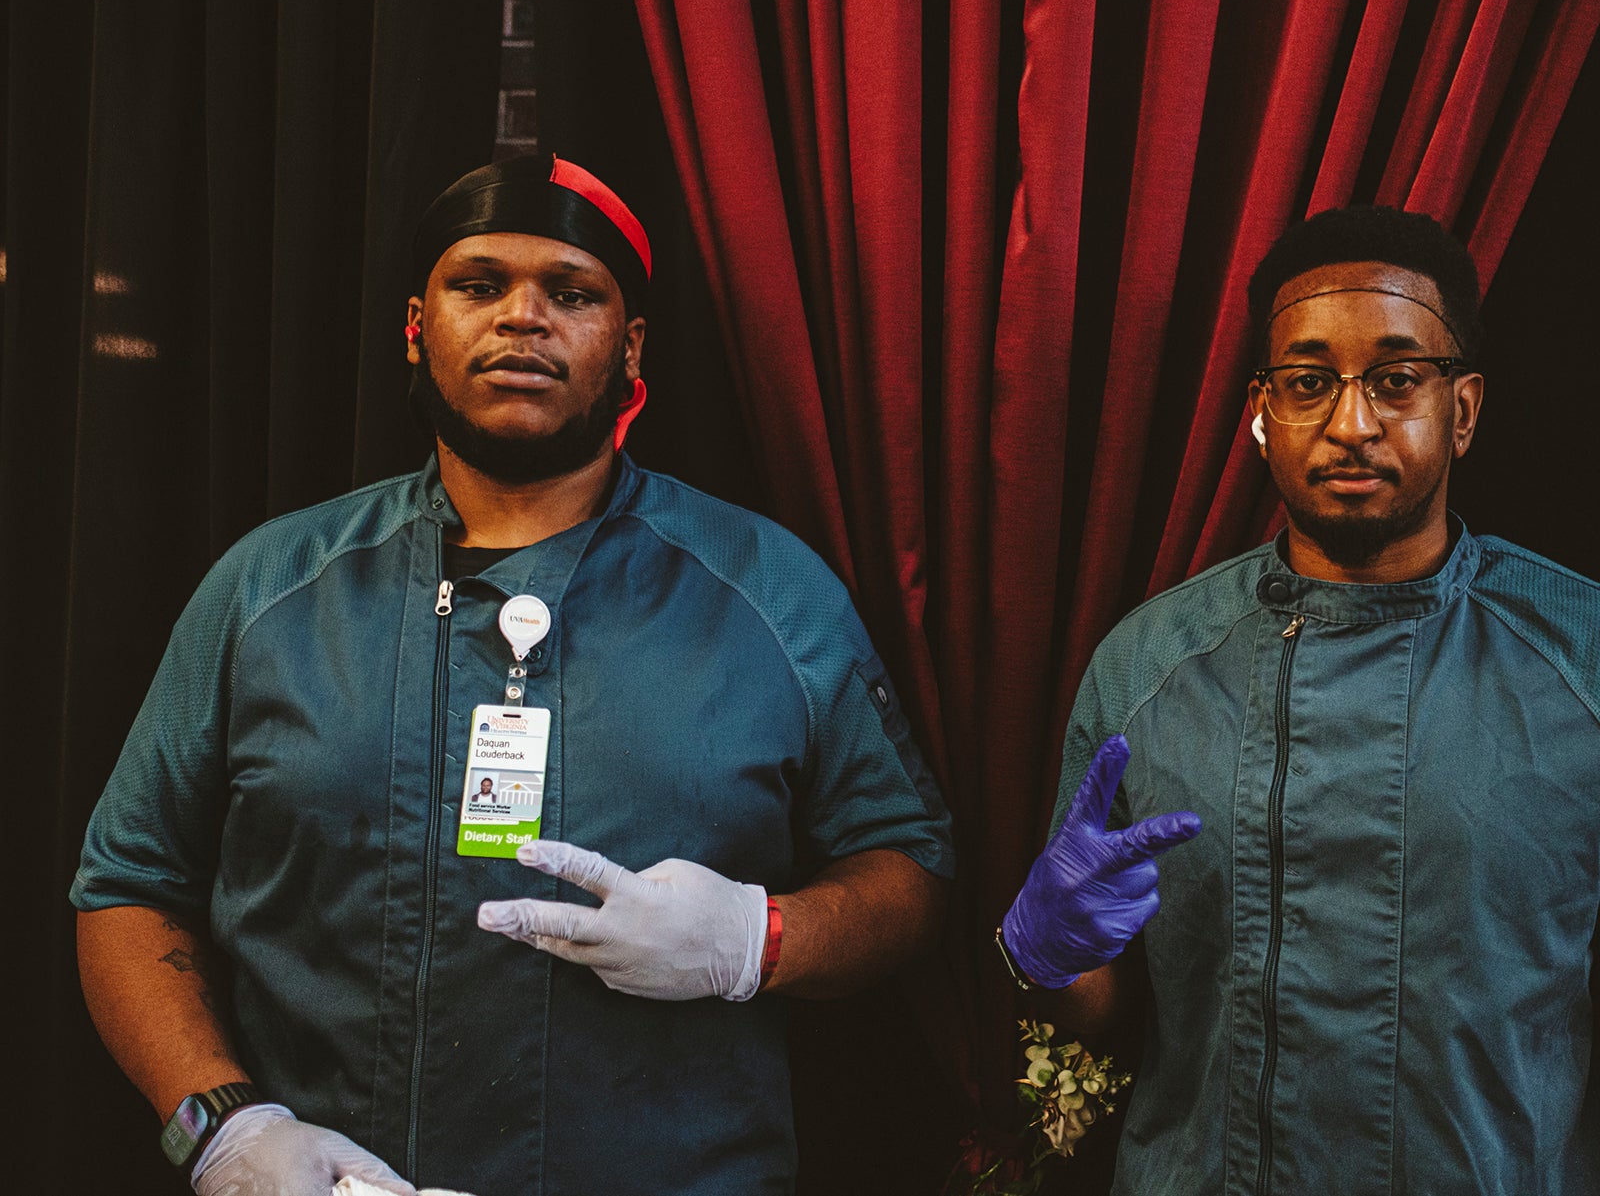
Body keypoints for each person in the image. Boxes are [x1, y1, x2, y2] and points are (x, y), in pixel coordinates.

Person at [72, 154, 954, 1196]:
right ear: (417, 326)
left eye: (571, 293)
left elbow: (908, 865)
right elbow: (128, 885)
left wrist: (754, 939)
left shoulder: (768, 591)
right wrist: (221, 1127)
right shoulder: (269, 588)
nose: (523, 316)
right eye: (479, 284)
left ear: (630, 347)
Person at [998, 204, 1599, 1194]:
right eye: (1309, 382)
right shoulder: (1148, 666)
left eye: (1396, 378)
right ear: (1261, 412)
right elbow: (1098, 1014)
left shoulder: (1578, 659)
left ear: (1463, 409)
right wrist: (1044, 958)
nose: (1350, 424)